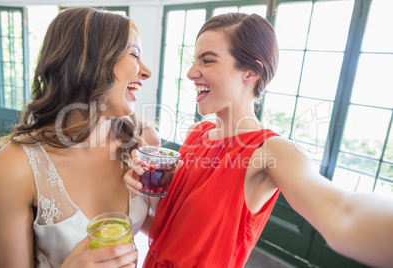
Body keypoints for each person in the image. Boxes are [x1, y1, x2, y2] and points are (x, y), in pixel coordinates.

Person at [125, 13, 393, 268]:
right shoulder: (196, 134)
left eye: (207, 61)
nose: (191, 72)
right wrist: (144, 194)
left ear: (251, 73)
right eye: (195, 60)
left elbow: (344, 213)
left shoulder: (271, 151)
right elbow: (165, 230)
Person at [0, 7, 160, 268]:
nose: (146, 72)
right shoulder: (11, 168)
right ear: (88, 61)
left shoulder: (144, 141)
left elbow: (157, 229)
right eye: (134, 55)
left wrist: (163, 196)